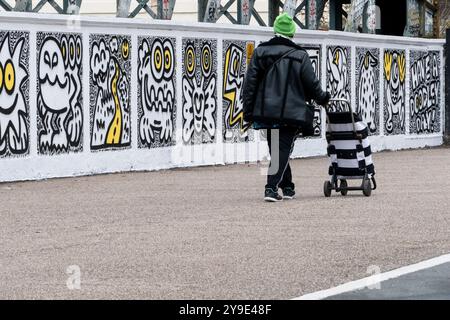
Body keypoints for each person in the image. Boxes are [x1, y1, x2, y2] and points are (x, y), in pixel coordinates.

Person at [243, 12, 331, 202]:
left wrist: (248, 112)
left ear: (275, 30)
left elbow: (249, 84)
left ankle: (288, 187)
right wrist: (324, 98)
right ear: (292, 33)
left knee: (277, 149)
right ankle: (271, 188)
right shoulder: (300, 55)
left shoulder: (260, 52)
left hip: (266, 112)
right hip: (291, 113)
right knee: (282, 149)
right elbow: (312, 85)